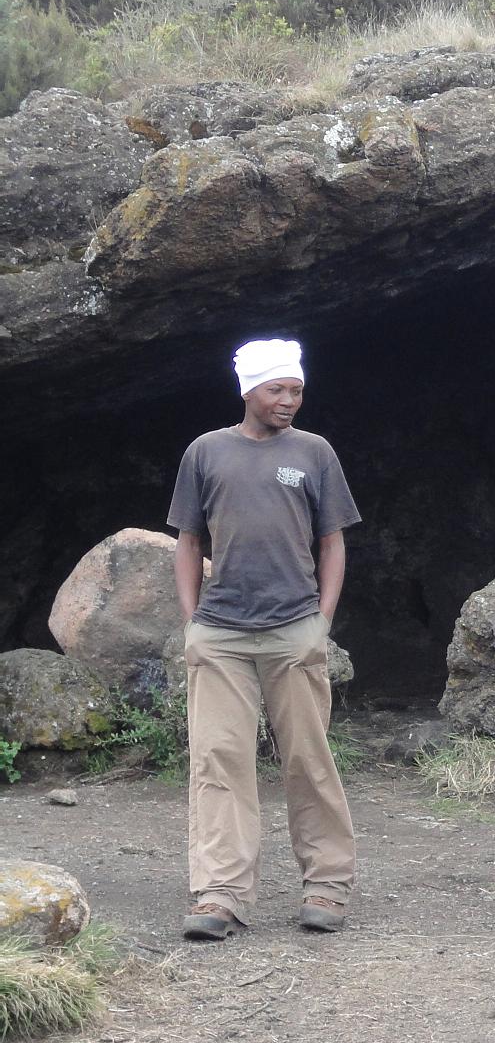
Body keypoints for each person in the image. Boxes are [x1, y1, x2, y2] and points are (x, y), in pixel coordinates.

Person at [167, 337, 363, 942]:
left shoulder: (314, 453)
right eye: (277, 389)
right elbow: (188, 542)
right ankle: (220, 894)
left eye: (297, 390)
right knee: (219, 761)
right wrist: (193, 624)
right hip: (220, 634)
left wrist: (321, 623)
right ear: (247, 390)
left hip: (293, 629)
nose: (289, 400)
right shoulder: (206, 452)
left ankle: (327, 884)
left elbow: (332, 541)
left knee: (308, 758)